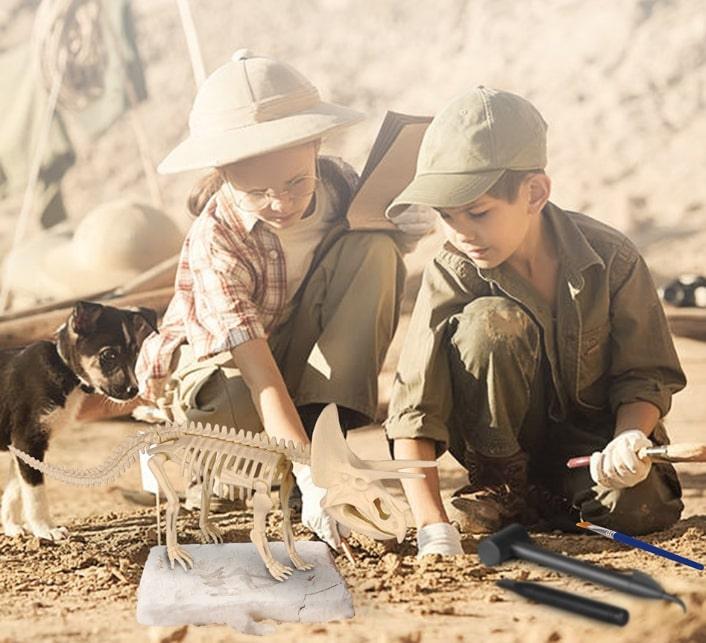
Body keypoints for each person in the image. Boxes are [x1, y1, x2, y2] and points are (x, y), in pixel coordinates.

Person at [136, 50, 423, 550]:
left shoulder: (339, 185)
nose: (282, 203)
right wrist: (312, 478)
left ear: (315, 146)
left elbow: (362, 277)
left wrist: (405, 228)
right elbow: (261, 377)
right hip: (223, 376)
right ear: (223, 173)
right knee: (227, 420)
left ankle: (323, 435)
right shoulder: (216, 240)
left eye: (295, 182)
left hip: (293, 347)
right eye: (257, 191)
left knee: (375, 249)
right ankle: (214, 458)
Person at [384, 87, 685, 557]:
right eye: (446, 216)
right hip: (499, 461)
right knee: (490, 323)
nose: (461, 233)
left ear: (535, 193)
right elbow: (414, 413)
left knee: (637, 511)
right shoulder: (451, 269)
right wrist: (432, 528)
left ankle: (551, 504)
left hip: (596, 452)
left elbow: (645, 377)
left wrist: (631, 438)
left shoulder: (612, 258)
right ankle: (509, 492)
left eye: (478, 212)